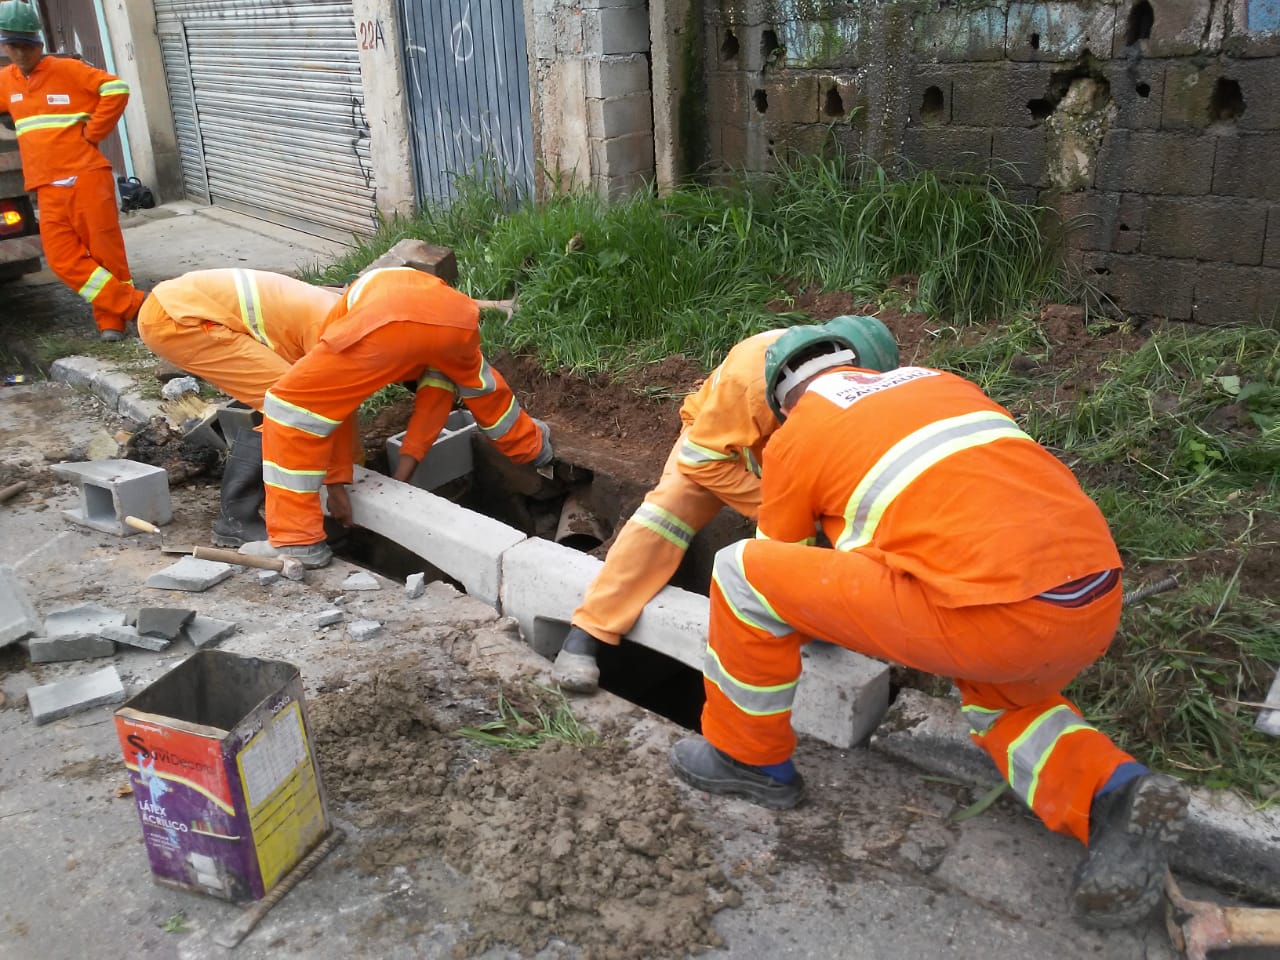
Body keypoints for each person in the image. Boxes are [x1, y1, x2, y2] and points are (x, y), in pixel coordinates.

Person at [667, 326, 1189, 930]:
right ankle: (1116, 792)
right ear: (868, 368)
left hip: (992, 613)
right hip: (1091, 597)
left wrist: (830, 613)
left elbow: (780, 572)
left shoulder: (796, 439)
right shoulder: (946, 386)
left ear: (785, 400)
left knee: (740, 574)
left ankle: (746, 759)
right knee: (1002, 702)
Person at [553, 316, 899, 694]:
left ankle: (822, 614)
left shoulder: (850, 391)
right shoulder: (750, 378)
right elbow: (701, 460)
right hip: (716, 447)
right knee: (666, 514)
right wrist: (778, 504)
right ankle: (589, 632)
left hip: (791, 443)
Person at [238, 266, 553, 568]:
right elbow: (432, 409)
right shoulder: (426, 302)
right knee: (485, 392)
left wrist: (335, 487)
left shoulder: (342, 314)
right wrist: (402, 480)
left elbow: (332, 413)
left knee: (289, 407)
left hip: (383, 320)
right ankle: (533, 447)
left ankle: (296, 539)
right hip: (458, 321)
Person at [137, 268, 350, 547]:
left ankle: (246, 515)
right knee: (290, 404)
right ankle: (236, 519)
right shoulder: (332, 331)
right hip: (178, 319)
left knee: (290, 401)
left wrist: (344, 477)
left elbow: (340, 404)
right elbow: (325, 404)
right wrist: (336, 486)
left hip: (182, 308)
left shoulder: (346, 314)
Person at [0, 0, 145, 341]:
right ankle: (136, 305)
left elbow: (116, 88)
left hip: (86, 176)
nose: (21, 54)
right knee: (62, 259)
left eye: (26, 46)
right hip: (47, 186)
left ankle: (111, 322)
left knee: (106, 252)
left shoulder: (67, 70)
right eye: (13, 47)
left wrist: (92, 133)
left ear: (38, 43)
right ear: (5, 47)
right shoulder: (6, 81)